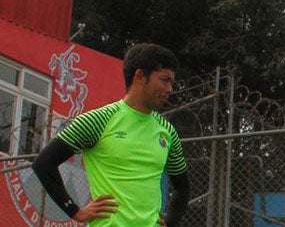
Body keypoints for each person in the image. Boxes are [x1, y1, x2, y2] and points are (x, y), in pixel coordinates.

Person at [32, 43, 190, 226]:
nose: (170, 89)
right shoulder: (98, 120)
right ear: (140, 76)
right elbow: (44, 162)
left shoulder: (167, 131)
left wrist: (170, 222)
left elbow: (182, 187)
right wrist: (75, 211)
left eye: (171, 81)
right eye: (164, 79)